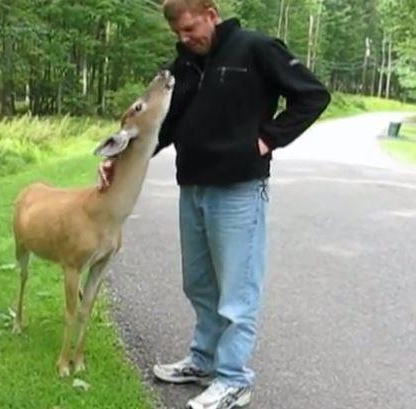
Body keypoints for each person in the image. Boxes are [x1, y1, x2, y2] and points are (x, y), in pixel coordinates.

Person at [98, 1, 330, 408]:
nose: (185, 39)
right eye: (178, 35)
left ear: (211, 13)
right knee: (200, 283)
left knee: (237, 293)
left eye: (190, 29)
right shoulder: (185, 64)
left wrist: (266, 139)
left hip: (240, 189)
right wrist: (117, 160)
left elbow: (312, 95)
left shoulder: (255, 48)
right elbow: (163, 127)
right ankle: (203, 361)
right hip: (193, 187)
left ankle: (234, 378)